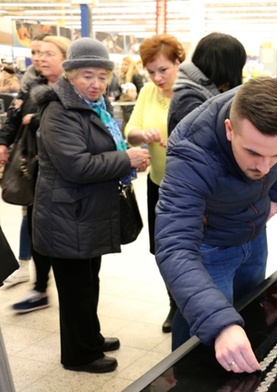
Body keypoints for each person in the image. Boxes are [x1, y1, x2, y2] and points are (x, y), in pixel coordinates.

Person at [155, 76, 277, 373]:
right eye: (254, 153)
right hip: (212, 245)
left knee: (249, 313)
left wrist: (275, 195)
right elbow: (174, 245)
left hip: (255, 235)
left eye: (275, 154)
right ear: (229, 130)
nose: (263, 166)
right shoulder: (191, 152)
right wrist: (219, 324)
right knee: (204, 332)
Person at [32, 37, 150, 373]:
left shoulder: (95, 107)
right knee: (75, 290)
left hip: (85, 212)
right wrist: (124, 158)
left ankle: (90, 338)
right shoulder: (59, 111)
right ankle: (78, 355)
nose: (96, 83)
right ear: (69, 74)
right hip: (66, 215)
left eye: (101, 75)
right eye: (87, 75)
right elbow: (77, 166)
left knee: (88, 282)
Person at [162, 32, 246, 333]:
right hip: (206, 216)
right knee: (203, 307)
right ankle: (187, 369)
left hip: (228, 216)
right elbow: (203, 160)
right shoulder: (191, 99)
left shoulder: (211, 93)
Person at [0, 35, 72, 312]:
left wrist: (40, 119)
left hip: (65, 173)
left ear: (65, 58)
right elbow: (14, 118)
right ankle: (40, 287)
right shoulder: (31, 87)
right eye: (38, 53)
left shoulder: (74, 88)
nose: (40, 58)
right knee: (35, 227)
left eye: (48, 53)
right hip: (34, 170)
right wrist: (3, 143)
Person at [124, 34, 184, 333]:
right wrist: (143, 134)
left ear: (178, 63)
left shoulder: (190, 93)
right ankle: (174, 304)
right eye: (151, 71)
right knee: (162, 249)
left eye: (164, 69)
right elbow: (130, 130)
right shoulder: (148, 92)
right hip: (158, 184)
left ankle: (191, 302)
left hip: (188, 188)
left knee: (188, 247)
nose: (158, 77)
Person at [118, 56, 145, 130]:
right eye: (122, 64)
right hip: (125, 103)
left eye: (126, 64)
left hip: (133, 104)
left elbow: (141, 90)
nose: (123, 66)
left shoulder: (136, 75)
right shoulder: (123, 76)